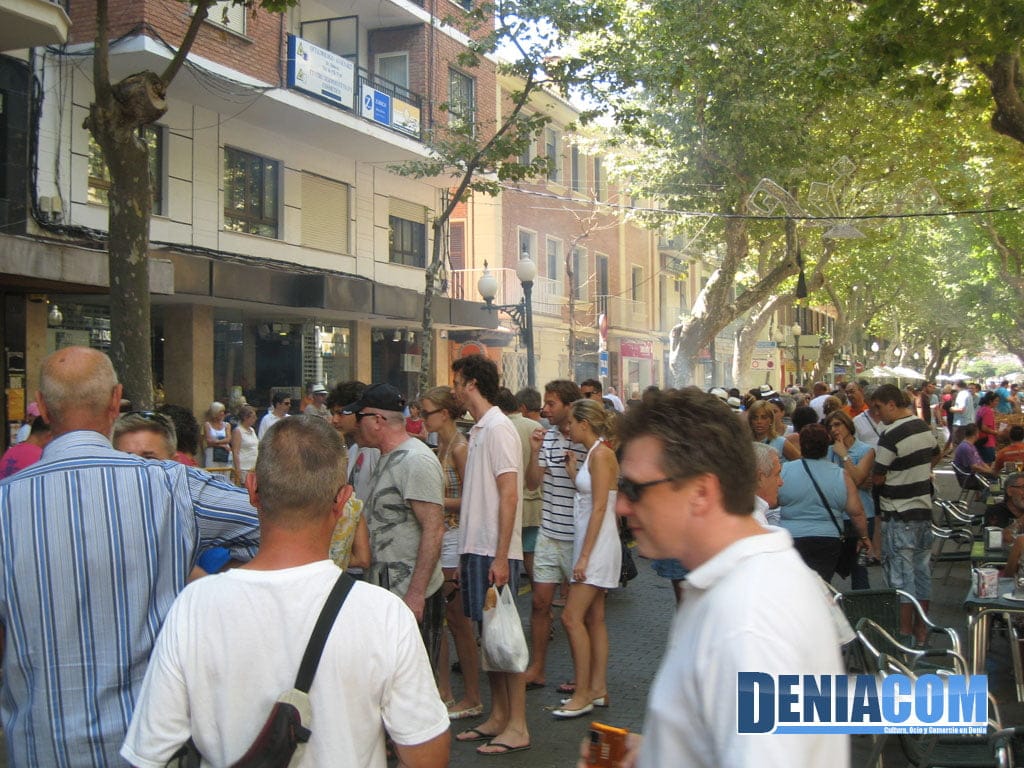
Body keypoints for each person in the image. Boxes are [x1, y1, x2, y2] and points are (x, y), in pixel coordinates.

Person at [121, 416, 451, 768]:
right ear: (343, 501)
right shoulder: (383, 613)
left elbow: (150, 752)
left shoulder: (194, 605)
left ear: (252, 488)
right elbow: (426, 755)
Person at [0, 347, 261, 766]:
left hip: (40, 746)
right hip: (149, 744)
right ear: (114, 400)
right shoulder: (175, 488)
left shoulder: (5, 503)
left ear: (43, 406)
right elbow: (281, 522)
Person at [586, 387, 846, 768]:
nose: (622, 505)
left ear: (701, 492)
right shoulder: (735, 586)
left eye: (635, 488)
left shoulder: (749, 620)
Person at [450, 355, 529, 757]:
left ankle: (518, 724)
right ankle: (500, 716)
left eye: (457, 380)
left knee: (506, 635)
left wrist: (501, 555)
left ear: (471, 383)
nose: (454, 389)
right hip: (476, 546)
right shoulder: (482, 429)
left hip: (492, 548)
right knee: (490, 637)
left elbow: (510, 492)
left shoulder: (498, 428)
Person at [349, 383, 446, 667]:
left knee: (414, 685)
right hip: (387, 595)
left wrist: (416, 596)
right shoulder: (387, 456)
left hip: (412, 599)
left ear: (377, 420)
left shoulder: (416, 460)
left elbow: (434, 528)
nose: (356, 425)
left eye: (360, 417)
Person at [553, 398, 621, 719]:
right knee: (594, 618)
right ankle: (597, 688)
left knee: (571, 617)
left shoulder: (601, 455)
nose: (568, 428)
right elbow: (593, 499)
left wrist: (583, 557)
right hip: (595, 542)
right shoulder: (596, 454)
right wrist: (572, 472)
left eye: (571, 423)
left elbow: (598, 507)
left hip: (596, 546)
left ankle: (582, 693)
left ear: (584, 423)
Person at [420, 385, 481, 720]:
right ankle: (444, 690)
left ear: (444, 414)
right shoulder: (440, 444)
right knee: (439, 621)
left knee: (458, 622)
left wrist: (434, 501)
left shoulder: (460, 446)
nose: (421, 417)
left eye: (426, 412)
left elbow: (472, 499)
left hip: (455, 538)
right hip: (442, 536)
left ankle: (472, 695)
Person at [523, 379, 587, 690]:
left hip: (576, 537)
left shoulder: (586, 442)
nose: (544, 409)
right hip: (549, 532)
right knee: (539, 603)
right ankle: (537, 668)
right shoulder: (546, 438)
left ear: (569, 407)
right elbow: (533, 483)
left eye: (551, 404)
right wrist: (535, 452)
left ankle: (581, 676)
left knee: (578, 614)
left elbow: (593, 492)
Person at [871, 383, 940, 644]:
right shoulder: (923, 427)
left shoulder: (890, 434)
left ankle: (904, 636)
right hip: (923, 512)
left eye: (878, 407)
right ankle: (922, 631)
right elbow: (934, 456)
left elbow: (878, 476)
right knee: (922, 575)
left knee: (901, 580)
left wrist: (895, 477)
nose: (877, 414)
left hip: (898, 514)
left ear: (891, 404)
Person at [778, 424, 870, 581]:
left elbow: (772, 501)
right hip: (827, 538)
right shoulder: (841, 475)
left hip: (790, 536)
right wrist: (864, 537)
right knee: (821, 584)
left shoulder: (785, 470)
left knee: (794, 583)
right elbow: (856, 512)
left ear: (802, 445)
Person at [825, 410, 876, 589]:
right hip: (836, 516)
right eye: (830, 426)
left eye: (837, 424)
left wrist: (844, 456)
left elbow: (858, 479)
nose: (834, 429)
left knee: (859, 568)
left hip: (861, 515)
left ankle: (861, 611)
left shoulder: (866, 450)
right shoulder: (827, 451)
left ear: (848, 426)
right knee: (828, 567)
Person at [514, 387, 545, 581]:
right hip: (535, 501)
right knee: (531, 552)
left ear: (523, 407)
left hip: (514, 500)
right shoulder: (541, 430)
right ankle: (539, 591)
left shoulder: (509, 426)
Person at [985, 472, 1024, 543]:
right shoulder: (996, 511)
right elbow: (995, 541)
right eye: (1023, 487)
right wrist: (1021, 521)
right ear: (1009, 491)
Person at [230, 404, 260, 485]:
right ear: (245, 418)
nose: (255, 419)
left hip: (253, 466)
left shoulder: (252, 430)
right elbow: (235, 451)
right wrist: (238, 469)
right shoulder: (238, 431)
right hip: (244, 467)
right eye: (253, 417)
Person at [203, 400, 233, 469]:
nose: (222, 413)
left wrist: (215, 441)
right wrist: (222, 445)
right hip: (212, 455)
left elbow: (228, 439)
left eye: (223, 411)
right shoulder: (207, 425)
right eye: (220, 412)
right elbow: (209, 441)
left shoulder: (227, 425)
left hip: (225, 454)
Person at [975, 391, 999, 464]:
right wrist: (996, 432)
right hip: (987, 442)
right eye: (996, 401)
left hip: (980, 440)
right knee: (987, 466)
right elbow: (984, 428)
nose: (997, 403)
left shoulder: (982, 409)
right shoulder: (988, 411)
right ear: (990, 401)